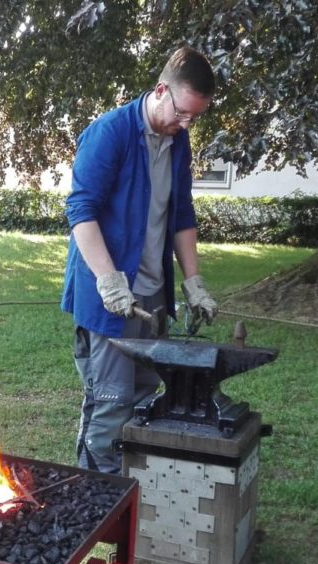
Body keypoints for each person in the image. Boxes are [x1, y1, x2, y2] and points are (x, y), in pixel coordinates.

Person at [61, 46, 219, 475]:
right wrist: (109, 280)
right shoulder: (109, 133)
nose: (185, 125)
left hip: (152, 295)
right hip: (107, 299)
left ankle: (134, 501)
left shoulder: (178, 141)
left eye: (194, 119)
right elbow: (81, 212)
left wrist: (194, 282)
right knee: (110, 403)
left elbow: (181, 213)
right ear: (161, 90)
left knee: (147, 397)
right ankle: (94, 504)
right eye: (183, 113)